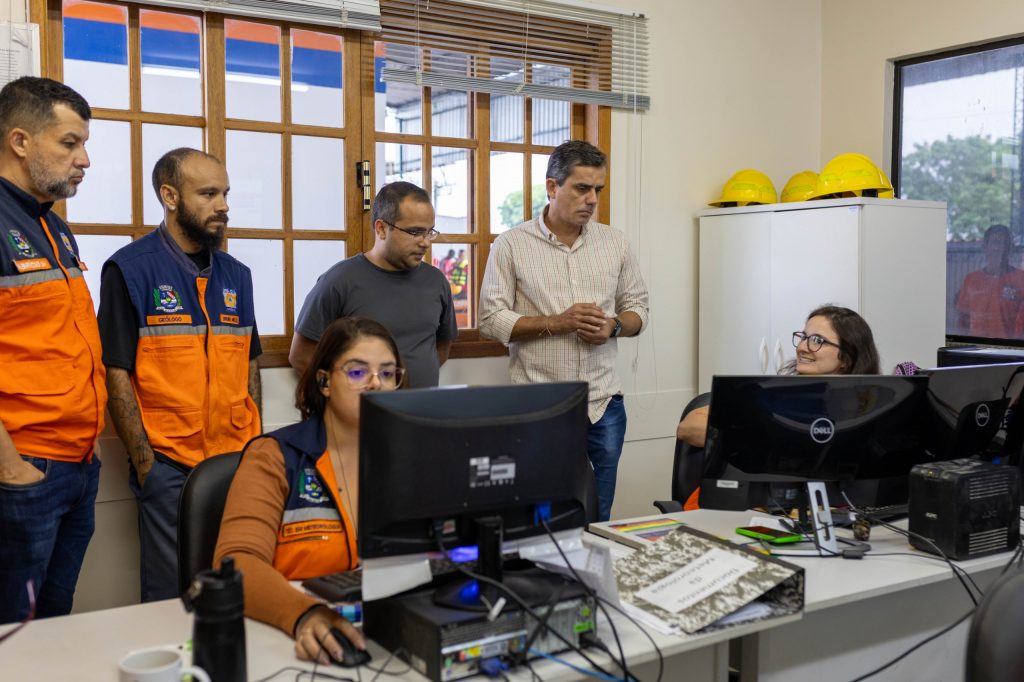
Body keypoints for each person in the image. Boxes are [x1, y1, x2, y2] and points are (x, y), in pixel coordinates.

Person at [98, 147, 263, 602]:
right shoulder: (129, 270)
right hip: (169, 464)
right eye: (208, 193)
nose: (223, 205)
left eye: (225, 193)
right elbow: (115, 373)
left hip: (234, 459)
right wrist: (145, 463)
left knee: (236, 583)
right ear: (170, 196)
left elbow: (249, 365)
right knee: (170, 597)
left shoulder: (238, 275)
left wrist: (256, 445)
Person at [214, 317, 404, 664]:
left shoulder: (409, 457)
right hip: (288, 636)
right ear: (325, 381)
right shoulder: (275, 457)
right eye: (358, 372)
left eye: (388, 373)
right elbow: (236, 563)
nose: (376, 383)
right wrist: (304, 614)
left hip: (390, 635)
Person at [478, 140, 650, 522]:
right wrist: (558, 322)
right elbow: (490, 320)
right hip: (538, 404)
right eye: (581, 188)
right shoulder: (511, 245)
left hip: (603, 404)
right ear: (553, 187)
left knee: (598, 514)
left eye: (598, 190)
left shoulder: (615, 243)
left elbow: (639, 310)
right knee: (537, 515)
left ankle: (592, 581)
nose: (591, 199)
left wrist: (614, 326)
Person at [0, 77, 105, 624]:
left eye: (84, 144)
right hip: (24, 466)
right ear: (20, 141)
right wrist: (11, 468)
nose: (83, 159)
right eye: (69, 143)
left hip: (78, 463)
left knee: (54, 622)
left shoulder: (55, 228)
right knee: (13, 631)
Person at [290, 181, 457, 388]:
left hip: (423, 414)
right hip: (362, 417)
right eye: (415, 232)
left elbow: (441, 347)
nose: (425, 242)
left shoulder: (436, 281)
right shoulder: (339, 281)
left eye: (429, 232)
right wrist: (344, 401)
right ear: (381, 228)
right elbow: (302, 356)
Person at [677, 305, 881, 449]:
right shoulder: (771, 393)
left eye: (817, 340)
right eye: (803, 337)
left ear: (847, 357)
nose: (802, 347)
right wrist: (763, 433)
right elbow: (687, 428)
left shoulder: (871, 408)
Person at [955, 224, 1024, 338]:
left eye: (1005, 243)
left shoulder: (1021, 278)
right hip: (977, 348)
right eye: (996, 242)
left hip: (1009, 349)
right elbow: (963, 319)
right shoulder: (971, 280)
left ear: (1010, 248)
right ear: (985, 247)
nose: (1000, 248)